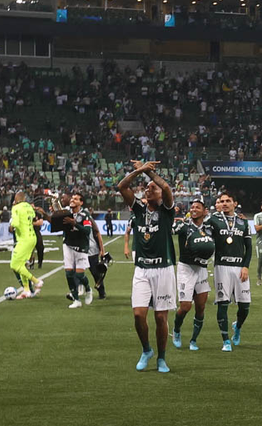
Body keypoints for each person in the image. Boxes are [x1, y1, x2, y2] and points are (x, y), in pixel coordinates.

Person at [117, 160, 177, 373]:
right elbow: (122, 187)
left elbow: (167, 187)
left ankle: (161, 358)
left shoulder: (167, 211)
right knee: (138, 314)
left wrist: (151, 173)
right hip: (142, 269)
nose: (148, 189)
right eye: (147, 187)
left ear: (160, 194)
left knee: (161, 317)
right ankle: (146, 350)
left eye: (153, 188)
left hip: (164, 269)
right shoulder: (139, 209)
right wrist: (140, 171)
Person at [209, 192, 253, 353]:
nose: (225, 203)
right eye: (222, 201)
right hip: (221, 266)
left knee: (245, 306)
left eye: (228, 201)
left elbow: (248, 248)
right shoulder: (213, 220)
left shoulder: (243, 222)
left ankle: (238, 326)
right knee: (223, 303)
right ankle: (226, 340)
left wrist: (246, 266)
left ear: (235, 203)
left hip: (239, 267)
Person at [174, 200, 215, 351]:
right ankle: (177, 330)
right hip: (186, 268)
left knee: (201, 307)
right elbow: (168, 230)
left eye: (198, 207)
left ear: (205, 211)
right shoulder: (184, 226)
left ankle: (193, 340)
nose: (194, 209)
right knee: (185, 307)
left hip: (202, 269)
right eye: (192, 207)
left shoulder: (210, 227)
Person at [59, 192, 95, 308]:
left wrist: (75, 224)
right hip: (68, 245)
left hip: (81, 247)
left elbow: (87, 231)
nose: (72, 200)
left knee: (79, 275)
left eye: (76, 199)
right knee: (69, 273)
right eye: (72, 198)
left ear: (81, 202)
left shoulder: (85, 215)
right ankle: (76, 300)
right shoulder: (66, 213)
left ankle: (88, 289)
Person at [8, 192, 44, 299]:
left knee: (14, 265)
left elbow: (16, 223)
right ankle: (26, 290)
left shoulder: (16, 208)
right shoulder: (29, 207)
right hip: (32, 237)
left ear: (15, 199)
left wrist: (12, 226)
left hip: (24, 239)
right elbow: (33, 218)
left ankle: (36, 281)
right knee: (22, 265)